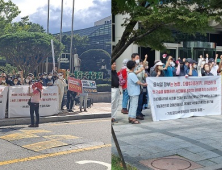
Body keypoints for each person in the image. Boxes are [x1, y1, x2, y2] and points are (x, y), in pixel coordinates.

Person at [131, 53, 146, 120]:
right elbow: (132, 75)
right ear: (133, 58)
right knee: (135, 102)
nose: (138, 59)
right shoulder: (131, 66)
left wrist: (144, 75)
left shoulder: (140, 66)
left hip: (141, 86)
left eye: (138, 58)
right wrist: (139, 71)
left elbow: (142, 76)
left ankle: (139, 112)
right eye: (137, 58)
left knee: (141, 101)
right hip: (134, 87)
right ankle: (135, 114)